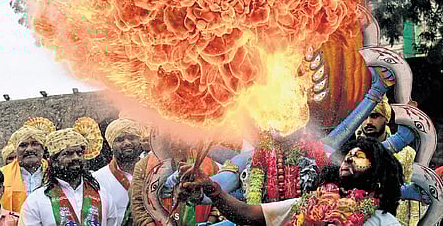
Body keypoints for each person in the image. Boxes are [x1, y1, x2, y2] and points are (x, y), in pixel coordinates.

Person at [180, 137, 404, 226]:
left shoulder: (384, 221)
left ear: (377, 174)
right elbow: (248, 214)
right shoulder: (309, 204)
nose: (349, 158)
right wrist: (212, 188)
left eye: (359, 156)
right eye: (349, 154)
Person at [19, 128, 118, 226]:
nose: (75, 157)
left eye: (79, 153)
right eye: (68, 154)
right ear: (53, 160)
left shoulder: (102, 195)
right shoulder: (37, 200)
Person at [131, 132, 220, 226]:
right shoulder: (144, 165)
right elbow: (138, 204)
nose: (175, 138)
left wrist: (210, 221)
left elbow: (218, 200)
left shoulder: (208, 164)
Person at [356, 96, 420, 226]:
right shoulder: (352, 152)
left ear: (386, 118)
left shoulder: (407, 153)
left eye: (374, 116)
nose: (368, 121)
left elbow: (415, 198)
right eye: (364, 116)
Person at [93, 119, 142, 226]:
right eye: (120, 140)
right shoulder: (97, 179)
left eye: (132, 138)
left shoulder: (153, 172)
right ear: (111, 145)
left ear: (140, 141)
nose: (127, 143)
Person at [0, 126, 48, 213]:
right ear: (16, 150)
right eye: (23, 145)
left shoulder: (55, 172)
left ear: (43, 148)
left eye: (35, 144)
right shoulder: (2, 174)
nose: (29, 149)